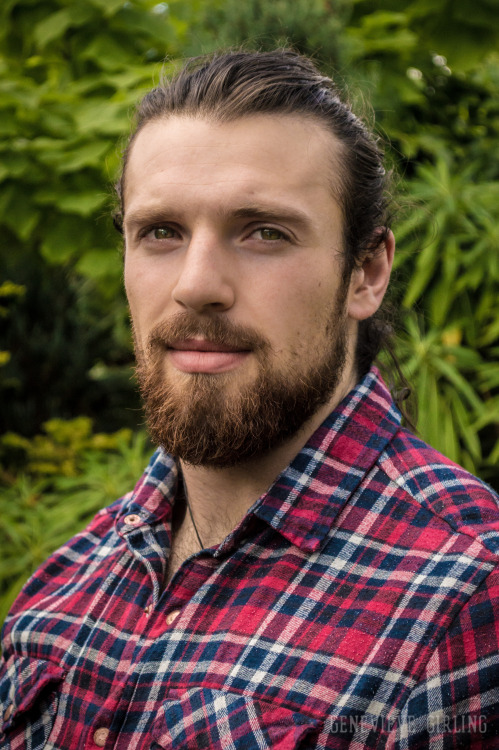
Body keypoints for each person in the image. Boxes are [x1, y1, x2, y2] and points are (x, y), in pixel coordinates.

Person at [1, 49, 498, 750]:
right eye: (161, 233)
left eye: (264, 231)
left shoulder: (466, 599)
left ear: (366, 272)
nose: (196, 284)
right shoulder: (63, 587)